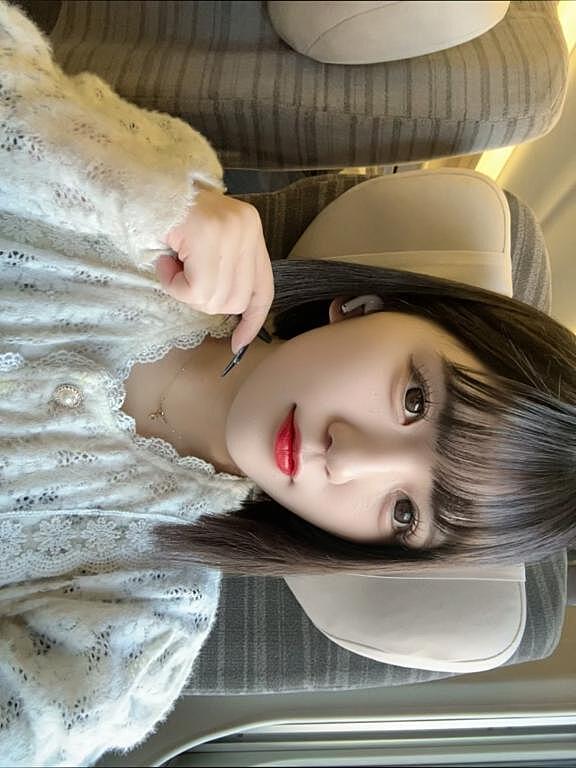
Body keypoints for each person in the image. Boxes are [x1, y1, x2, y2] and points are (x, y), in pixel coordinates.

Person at [1, 2, 575, 765]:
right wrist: (152, 194)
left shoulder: (139, 624)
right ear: (367, 306)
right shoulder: (165, 203)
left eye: (404, 513)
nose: (350, 457)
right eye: (415, 401)